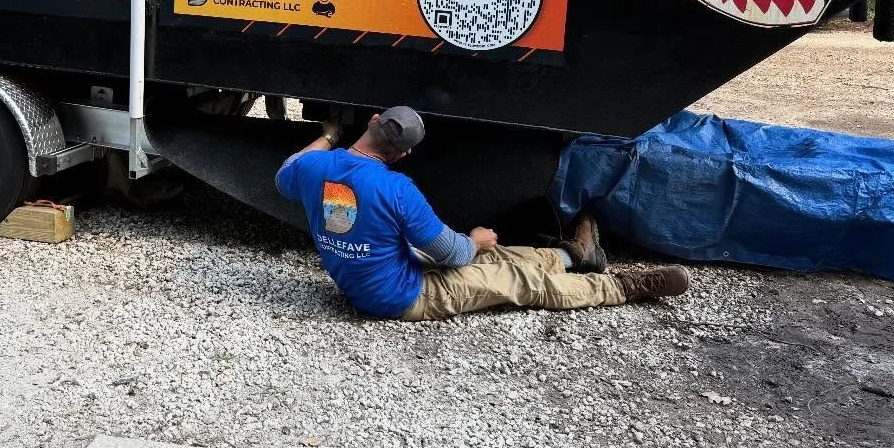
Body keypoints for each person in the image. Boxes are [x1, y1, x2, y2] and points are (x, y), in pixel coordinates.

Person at [275, 105, 689, 320]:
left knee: (500, 255)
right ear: (402, 155)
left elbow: (285, 173)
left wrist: (328, 136)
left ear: (373, 120)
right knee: (519, 280)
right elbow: (453, 255)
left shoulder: (313, 168)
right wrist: (474, 238)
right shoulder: (396, 189)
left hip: (379, 271)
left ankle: (573, 257)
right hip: (398, 296)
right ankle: (624, 287)